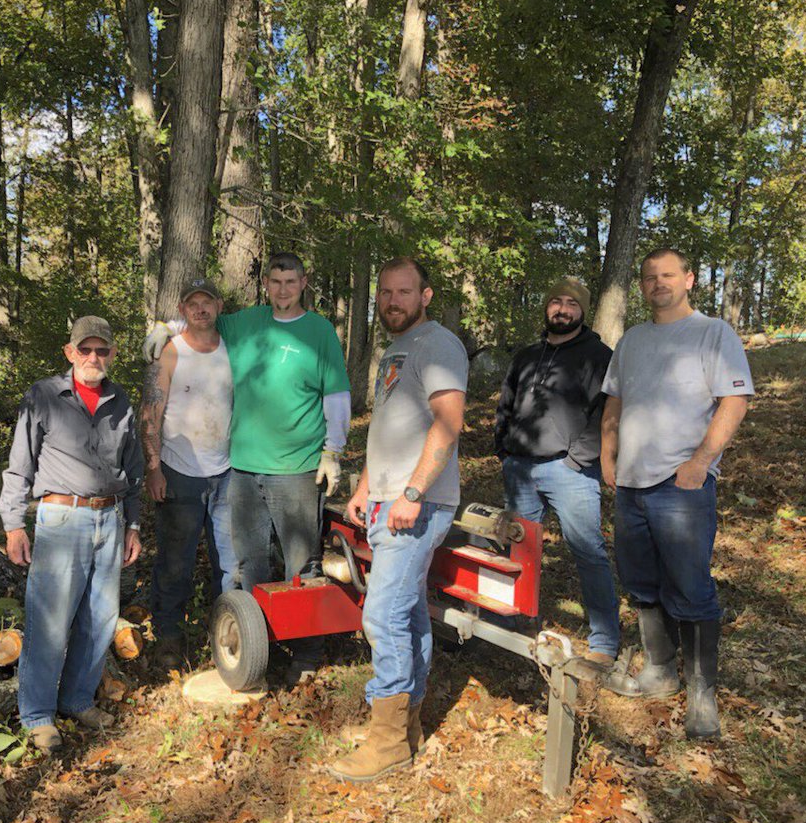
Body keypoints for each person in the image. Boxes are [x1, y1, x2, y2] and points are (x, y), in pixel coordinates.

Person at [145, 254, 351, 685]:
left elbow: (336, 396)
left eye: (290, 281)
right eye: (275, 281)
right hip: (242, 470)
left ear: (303, 282)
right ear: (265, 283)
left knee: (301, 563)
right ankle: (261, 649)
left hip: (296, 467)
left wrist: (333, 450)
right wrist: (166, 326)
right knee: (250, 564)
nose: (282, 289)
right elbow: (200, 321)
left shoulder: (319, 332)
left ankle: (307, 653)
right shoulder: (247, 323)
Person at [600, 248, 753, 740]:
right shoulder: (633, 340)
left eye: (667, 275)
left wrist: (700, 463)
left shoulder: (713, 333)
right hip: (631, 482)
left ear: (688, 279)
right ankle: (661, 670)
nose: (658, 283)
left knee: (690, 586)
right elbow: (616, 398)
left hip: (681, 484)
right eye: (649, 277)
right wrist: (608, 452)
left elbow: (735, 398)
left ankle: (703, 693)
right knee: (642, 580)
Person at [328, 257, 467, 783]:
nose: (392, 300)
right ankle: (404, 727)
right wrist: (366, 487)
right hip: (389, 499)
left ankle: (385, 741)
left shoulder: (438, 344)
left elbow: (449, 421)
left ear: (425, 296)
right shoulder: (397, 347)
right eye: (385, 292)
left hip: (418, 502)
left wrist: (412, 491)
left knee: (381, 615)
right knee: (405, 615)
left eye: (404, 292)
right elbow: (388, 426)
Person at [0, 316, 144, 751]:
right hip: (62, 520)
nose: (93, 358)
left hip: (111, 519)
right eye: (86, 350)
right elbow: (19, 463)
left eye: (102, 351)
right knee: (50, 621)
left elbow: (132, 471)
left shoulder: (121, 401)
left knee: (100, 619)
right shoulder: (44, 395)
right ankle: (38, 714)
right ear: (70, 352)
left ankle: (78, 698)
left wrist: (133, 523)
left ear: (113, 354)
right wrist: (12, 524)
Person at [495, 277, 620, 665]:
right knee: (519, 549)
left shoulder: (599, 355)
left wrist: (579, 456)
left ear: (582, 311)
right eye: (555, 302)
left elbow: (608, 411)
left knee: (588, 552)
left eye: (571, 303)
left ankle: (604, 643)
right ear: (546, 307)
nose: (562, 309)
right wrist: (504, 446)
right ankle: (520, 625)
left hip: (570, 472)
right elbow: (507, 401)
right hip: (520, 469)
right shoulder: (527, 354)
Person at [140, 278, 238, 670]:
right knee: (175, 561)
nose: (200, 310)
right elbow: (151, 412)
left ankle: (228, 636)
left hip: (229, 471)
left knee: (231, 563)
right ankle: (168, 637)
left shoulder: (234, 346)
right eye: (192, 304)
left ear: (218, 306)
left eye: (207, 303)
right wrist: (153, 467)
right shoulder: (169, 352)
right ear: (182, 309)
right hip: (179, 470)